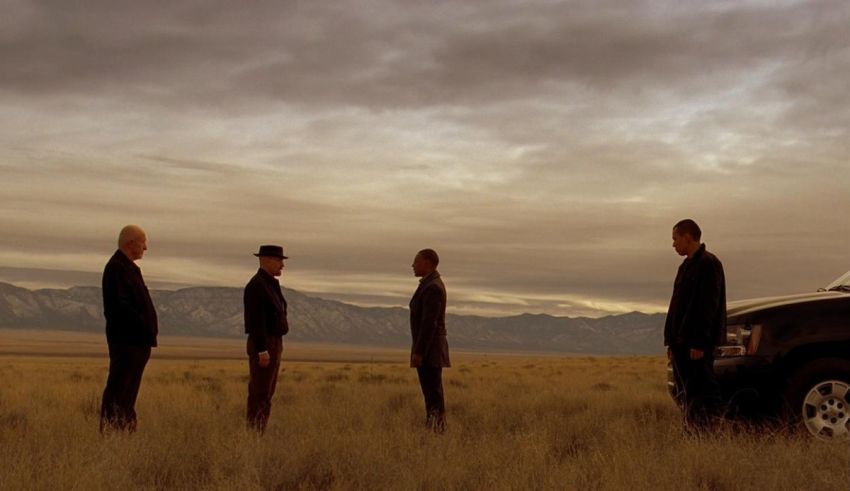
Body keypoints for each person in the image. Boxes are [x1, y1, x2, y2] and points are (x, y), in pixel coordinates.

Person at [664, 219, 726, 430]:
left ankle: (712, 430)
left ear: (687, 237)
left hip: (696, 345)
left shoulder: (709, 264)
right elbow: (676, 306)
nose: (673, 244)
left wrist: (700, 343)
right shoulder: (686, 266)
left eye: (675, 239)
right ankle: (692, 430)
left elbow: (708, 307)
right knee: (686, 391)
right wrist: (670, 342)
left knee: (703, 389)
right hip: (681, 343)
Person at [100, 224, 158, 433]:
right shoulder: (117, 268)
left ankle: (123, 429)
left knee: (128, 391)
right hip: (127, 342)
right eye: (143, 242)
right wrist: (143, 326)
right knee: (120, 389)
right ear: (130, 243)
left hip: (137, 343)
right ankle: (112, 430)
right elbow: (120, 307)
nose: (146, 248)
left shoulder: (127, 268)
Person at [244, 244, 290, 432]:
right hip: (264, 343)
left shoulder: (269, 284)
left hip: (274, 342)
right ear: (267, 260)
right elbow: (256, 321)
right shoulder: (257, 285)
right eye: (279, 261)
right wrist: (262, 349)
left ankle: (259, 428)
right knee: (260, 391)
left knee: (267, 391)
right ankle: (255, 431)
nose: (282, 265)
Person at [409, 248, 450, 432]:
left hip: (430, 351)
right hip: (429, 350)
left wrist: (419, 352)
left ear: (427, 263)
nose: (413, 265)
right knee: (431, 393)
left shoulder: (433, 287)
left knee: (433, 393)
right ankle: (434, 427)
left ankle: (437, 429)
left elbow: (429, 324)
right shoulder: (429, 284)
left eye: (416, 261)